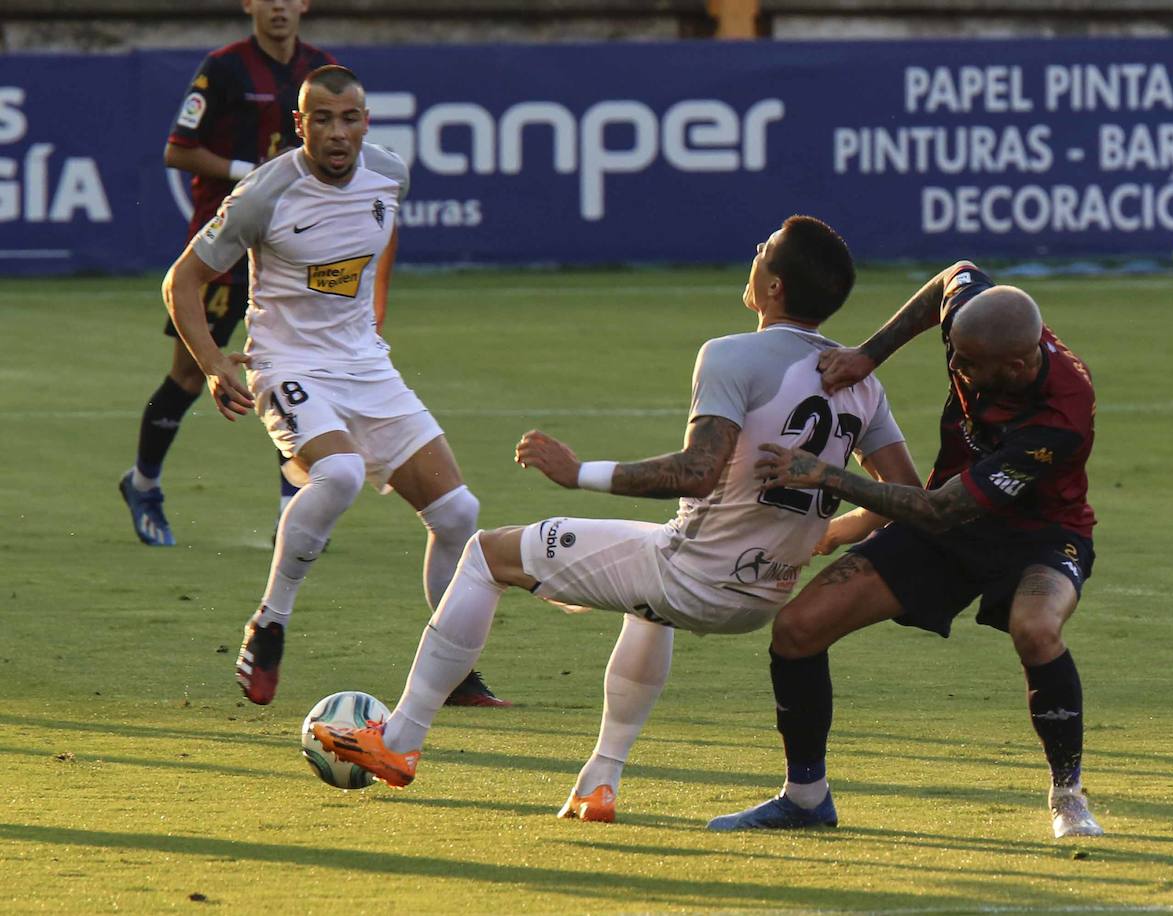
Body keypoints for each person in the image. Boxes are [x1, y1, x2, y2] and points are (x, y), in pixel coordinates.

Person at [313, 215, 919, 823]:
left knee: (484, 556)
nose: (755, 254)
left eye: (765, 250)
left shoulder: (734, 355)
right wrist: (837, 529)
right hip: (763, 595)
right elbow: (906, 494)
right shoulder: (862, 386)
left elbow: (696, 473)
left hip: (690, 573)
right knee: (646, 600)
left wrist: (579, 473)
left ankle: (400, 740)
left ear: (775, 286)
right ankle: (599, 781)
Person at [707, 263, 1106, 839]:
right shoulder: (979, 323)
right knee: (797, 629)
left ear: (1017, 367)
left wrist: (828, 477)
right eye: (956, 355)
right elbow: (956, 274)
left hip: (1041, 534)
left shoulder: (1059, 418)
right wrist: (870, 354)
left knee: (1036, 627)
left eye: (969, 366)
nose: (957, 371)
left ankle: (1067, 795)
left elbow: (941, 508)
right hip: (949, 529)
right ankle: (805, 799)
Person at [160, 65, 506, 709]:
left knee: (459, 513)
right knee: (340, 474)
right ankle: (269, 623)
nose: (337, 132)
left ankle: (451, 672)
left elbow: (380, 234)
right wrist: (212, 364)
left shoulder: (390, 173)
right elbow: (180, 282)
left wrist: (375, 313)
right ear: (300, 125)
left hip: (366, 366)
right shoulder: (264, 194)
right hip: (287, 364)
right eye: (322, 119)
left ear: (366, 122)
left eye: (349, 118)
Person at [120, 0, 333, 549]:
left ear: (304, 4)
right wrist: (249, 173)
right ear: (250, 5)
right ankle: (143, 483)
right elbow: (178, 150)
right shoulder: (225, 68)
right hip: (225, 244)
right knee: (190, 375)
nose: (280, 7)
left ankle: (294, 511)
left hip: (291, 249)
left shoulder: (321, 68)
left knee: (295, 369)